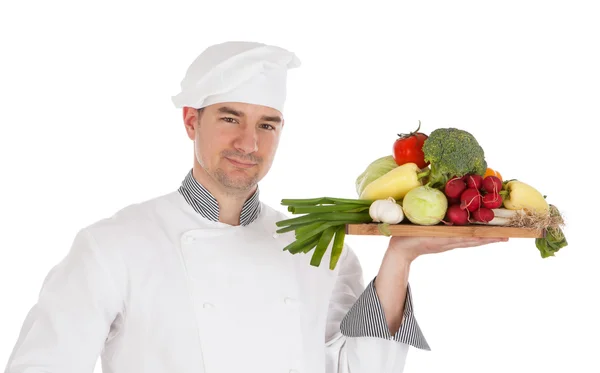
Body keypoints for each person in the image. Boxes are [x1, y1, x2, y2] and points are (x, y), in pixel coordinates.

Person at [3, 41, 507, 373]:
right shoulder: (113, 244)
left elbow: (361, 369)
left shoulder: (315, 247)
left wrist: (399, 258)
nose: (249, 141)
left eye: (267, 124)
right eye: (230, 118)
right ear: (190, 122)